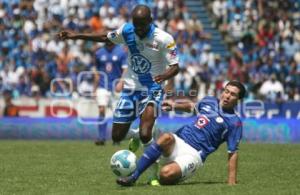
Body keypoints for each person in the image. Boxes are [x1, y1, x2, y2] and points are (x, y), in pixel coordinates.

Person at [58, 5, 179, 184]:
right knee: (117, 136)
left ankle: (153, 175)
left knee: (147, 134)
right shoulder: (127, 30)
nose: (138, 30)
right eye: (135, 25)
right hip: (130, 88)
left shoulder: (164, 39)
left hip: (152, 89)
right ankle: (136, 135)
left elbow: (175, 66)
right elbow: (103, 37)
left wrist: (164, 77)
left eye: (141, 26)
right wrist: (76, 35)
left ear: (150, 22)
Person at [116, 80, 246, 186]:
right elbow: (192, 107)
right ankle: (133, 177)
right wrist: (173, 105)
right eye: (226, 91)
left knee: (165, 175)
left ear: (238, 99)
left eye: (233, 94)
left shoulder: (234, 123)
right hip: (178, 140)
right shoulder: (210, 101)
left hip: (194, 155)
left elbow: (232, 153)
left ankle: (141, 138)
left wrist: (231, 181)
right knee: (166, 137)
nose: (227, 96)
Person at [93, 41, 128, 146]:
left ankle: (116, 138)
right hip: (102, 86)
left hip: (115, 87)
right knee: (101, 110)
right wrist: (95, 87)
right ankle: (101, 138)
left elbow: (125, 69)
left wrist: (121, 82)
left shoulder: (121, 52)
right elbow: (97, 71)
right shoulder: (99, 53)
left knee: (117, 114)